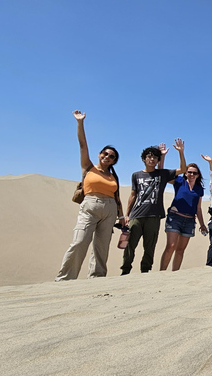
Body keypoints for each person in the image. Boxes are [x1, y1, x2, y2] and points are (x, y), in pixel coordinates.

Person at [56, 110, 124, 281]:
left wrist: (121, 216)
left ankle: (97, 278)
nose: (107, 157)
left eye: (112, 156)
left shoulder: (113, 176)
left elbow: (117, 197)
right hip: (90, 206)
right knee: (79, 242)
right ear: (99, 154)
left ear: (114, 161)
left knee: (102, 247)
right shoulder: (88, 167)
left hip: (109, 210)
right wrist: (80, 123)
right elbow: (82, 145)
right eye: (105, 154)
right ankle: (64, 278)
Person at [120, 142, 183, 275]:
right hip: (136, 215)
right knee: (130, 244)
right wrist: (127, 215)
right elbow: (133, 195)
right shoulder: (136, 175)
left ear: (158, 160)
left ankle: (145, 270)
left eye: (155, 157)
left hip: (154, 216)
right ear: (144, 159)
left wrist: (180, 152)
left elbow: (183, 169)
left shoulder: (162, 174)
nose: (152, 159)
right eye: (149, 156)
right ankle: (125, 270)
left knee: (150, 246)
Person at [159, 160, 208, 271]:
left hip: (189, 221)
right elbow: (162, 174)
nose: (192, 175)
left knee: (180, 249)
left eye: (194, 173)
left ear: (198, 175)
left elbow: (198, 208)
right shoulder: (179, 181)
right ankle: (161, 273)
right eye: (189, 172)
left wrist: (202, 224)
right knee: (171, 246)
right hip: (175, 217)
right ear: (185, 173)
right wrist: (162, 157)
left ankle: (175, 274)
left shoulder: (199, 189)